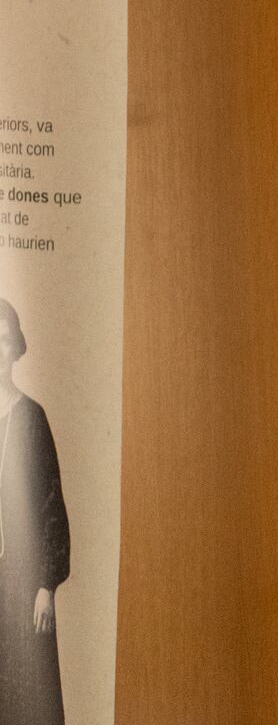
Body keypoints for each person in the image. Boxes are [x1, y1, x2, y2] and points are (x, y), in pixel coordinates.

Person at [0, 300, 66, 725]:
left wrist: (46, 585)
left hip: (18, 580)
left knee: (22, 693)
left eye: (3, 339)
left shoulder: (31, 417)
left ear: (15, 348)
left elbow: (50, 504)